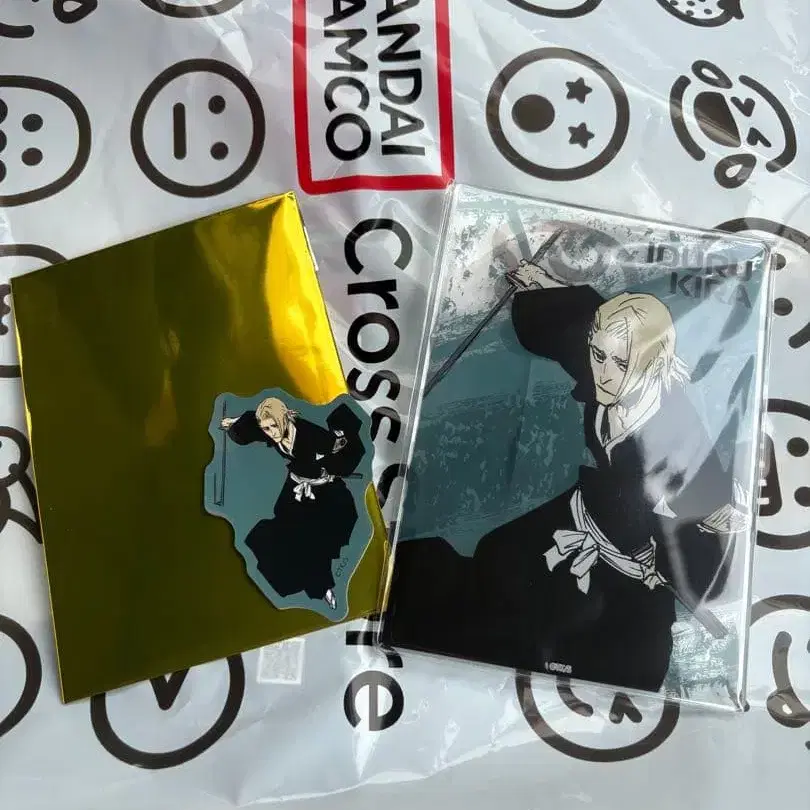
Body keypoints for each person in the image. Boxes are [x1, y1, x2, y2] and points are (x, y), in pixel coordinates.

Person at [383, 255, 750, 692]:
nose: (603, 373)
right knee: (496, 562)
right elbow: (580, 327)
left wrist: (708, 524)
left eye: (620, 364)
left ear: (652, 362)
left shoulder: (678, 434)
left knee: (605, 650)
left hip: (630, 572)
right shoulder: (607, 364)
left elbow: (706, 535)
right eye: (598, 355)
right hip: (581, 514)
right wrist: (547, 291)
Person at [221, 397, 364, 610]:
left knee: (315, 539)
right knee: (285, 534)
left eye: (273, 426)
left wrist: (330, 462)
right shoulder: (269, 429)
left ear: (284, 419)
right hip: (295, 490)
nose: (271, 433)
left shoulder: (311, 435)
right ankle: (312, 584)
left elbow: (341, 452)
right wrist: (235, 422)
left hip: (322, 492)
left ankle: (323, 588)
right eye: (266, 428)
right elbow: (253, 422)